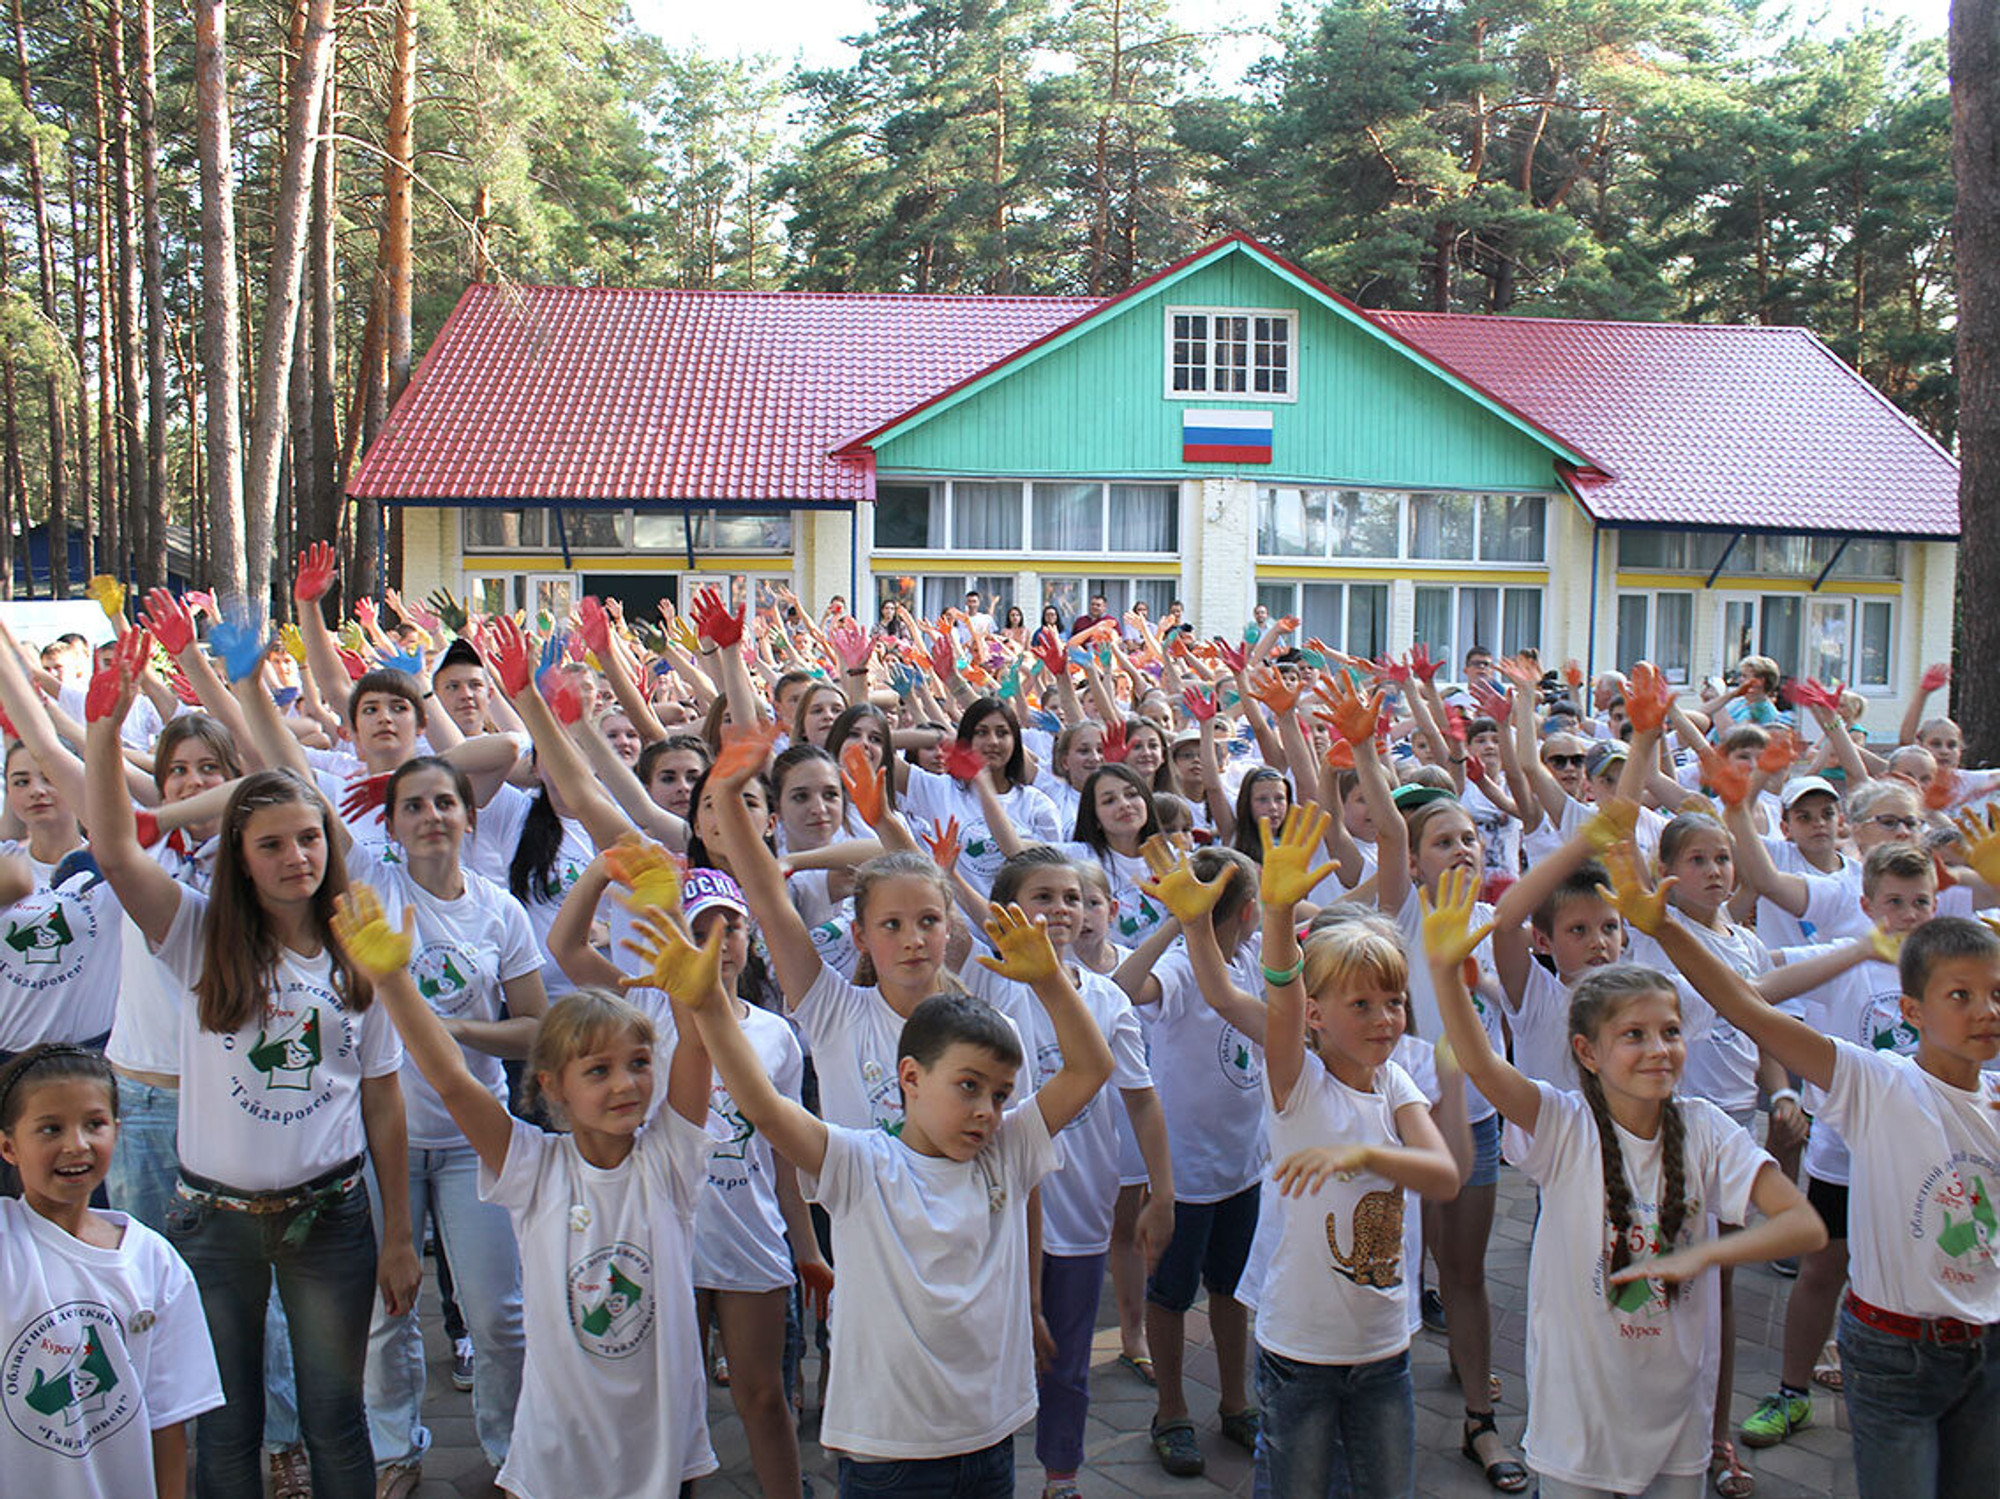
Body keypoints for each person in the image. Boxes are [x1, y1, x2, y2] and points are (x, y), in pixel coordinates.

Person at [85, 659, 419, 1499]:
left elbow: (383, 1096)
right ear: (238, 855)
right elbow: (118, 852)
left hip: (333, 1219)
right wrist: (101, 727)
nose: (295, 856)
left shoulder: (362, 949)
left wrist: (400, 1233)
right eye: (270, 843)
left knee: (336, 1420)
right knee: (224, 1425)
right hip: (213, 1225)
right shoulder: (197, 934)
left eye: (308, 837)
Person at [667, 895, 1114, 1498]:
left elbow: (1091, 1068)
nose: (986, 1110)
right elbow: (767, 1112)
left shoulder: (1007, 1148)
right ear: (910, 1078)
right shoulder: (860, 1162)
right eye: (967, 1086)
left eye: (1001, 1094)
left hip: (990, 1440)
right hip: (889, 1455)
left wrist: (1051, 981)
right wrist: (708, 1009)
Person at [1429, 859, 1825, 1499]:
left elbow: (1804, 1226)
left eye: (1670, 1032)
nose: (1658, 1050)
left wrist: (1704, 1254)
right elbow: (1478, 1060)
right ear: (1588, 1052)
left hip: (1676, 1429)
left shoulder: (1708, 1130)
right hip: (1577, 1429)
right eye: (1633, 1035)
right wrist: (1447, 972)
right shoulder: (1564, 1126)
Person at [1606, 859, 2000, 1499]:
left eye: (1996, 994)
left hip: (1988, 1349)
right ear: (1912, 1009)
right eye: (1960, 995)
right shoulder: (1877, 1082)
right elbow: (1746, 1005)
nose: (1984, 1011)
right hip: (1894, 1350)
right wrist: (1668, 929)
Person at [329, 885, 718, 1499]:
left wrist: (699, 997)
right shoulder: (533, 1166)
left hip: (661, 1445)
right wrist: (395, 983)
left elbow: (697, 1047)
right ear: (552, 1086)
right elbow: (455, 1082)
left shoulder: (669, 1160)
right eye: (598, 1069)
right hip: (557, 1447)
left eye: (639, 1062)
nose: (626, 1084)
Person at [1246, 807, 1462, 1497]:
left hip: (1384, 1350)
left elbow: (1444, 1174)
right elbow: (1279, 995)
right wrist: (1277, 915)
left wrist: (1359, 1157)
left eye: (1394, 1002)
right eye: (1362, 1004)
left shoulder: (1395, 1079)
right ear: (1317, 1013)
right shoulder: (1296, 1082)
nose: (1385, 1020)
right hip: (1300, 1351)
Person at [0, 1044, 225, 1498]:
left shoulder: (154, 1263)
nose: (76, 1145)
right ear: (9, 1146)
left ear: (117, 1133)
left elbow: (167, 1424)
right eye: (50, 1129)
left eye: (94, 1124)